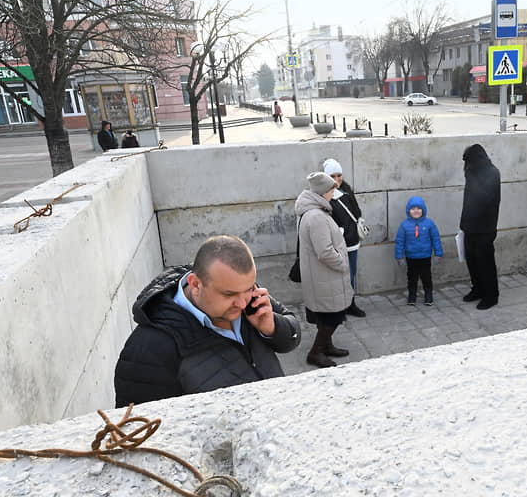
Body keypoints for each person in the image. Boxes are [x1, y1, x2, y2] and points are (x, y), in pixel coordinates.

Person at [113, 235, 301, 407]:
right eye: (229, 294)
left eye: (248, 289)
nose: (243, 303)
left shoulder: (244, 293)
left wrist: (272, 327)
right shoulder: (149, 348)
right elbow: (138, 429)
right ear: (195, 284)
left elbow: (292, 336)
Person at [295, 172, 353, 368]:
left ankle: (326, 345)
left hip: (321, 275)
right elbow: (325, 251)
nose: (333, 193)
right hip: (325, 275)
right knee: (332, 317)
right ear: (323, 192)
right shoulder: (317, 216)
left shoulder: (312, 211)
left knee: (327, 315)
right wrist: (343, 264)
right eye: (331, 190)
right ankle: (316, 352)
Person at [459, 144, 501, 310]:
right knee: (472, 261)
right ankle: (477, 289)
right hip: (469, 226)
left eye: (467, 161)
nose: (465, 165)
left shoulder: (491, 173)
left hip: (485, 228)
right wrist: (463, 224)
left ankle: (491, 296)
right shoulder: (471, 171)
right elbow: (467, 199)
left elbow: (484, 199)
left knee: (485, 263)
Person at [324, 158, 366, 318]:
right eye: (332, 176)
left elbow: (357, 212)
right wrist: (339, 231)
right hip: (337, 244)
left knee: (351, 274)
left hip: (352, 242)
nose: (336, 179)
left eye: (339, 175)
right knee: (337, 277)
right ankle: (339, 308)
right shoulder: (324, 196)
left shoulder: (346, 191)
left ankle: (350, 304)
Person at [395, 196, 443, 306]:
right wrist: (399, 256)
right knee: (412, 278)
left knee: (426, 277)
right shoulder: (404, 225)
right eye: (413, 209)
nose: (416, 211)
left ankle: (428, 294)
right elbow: (400, 241)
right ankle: (412, 295)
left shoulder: (429, 224)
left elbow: (435, 239)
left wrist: (438, 253)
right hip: (411, 257)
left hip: (425, 256)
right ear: (408, 211)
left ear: (423, 210)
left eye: (418, 208)